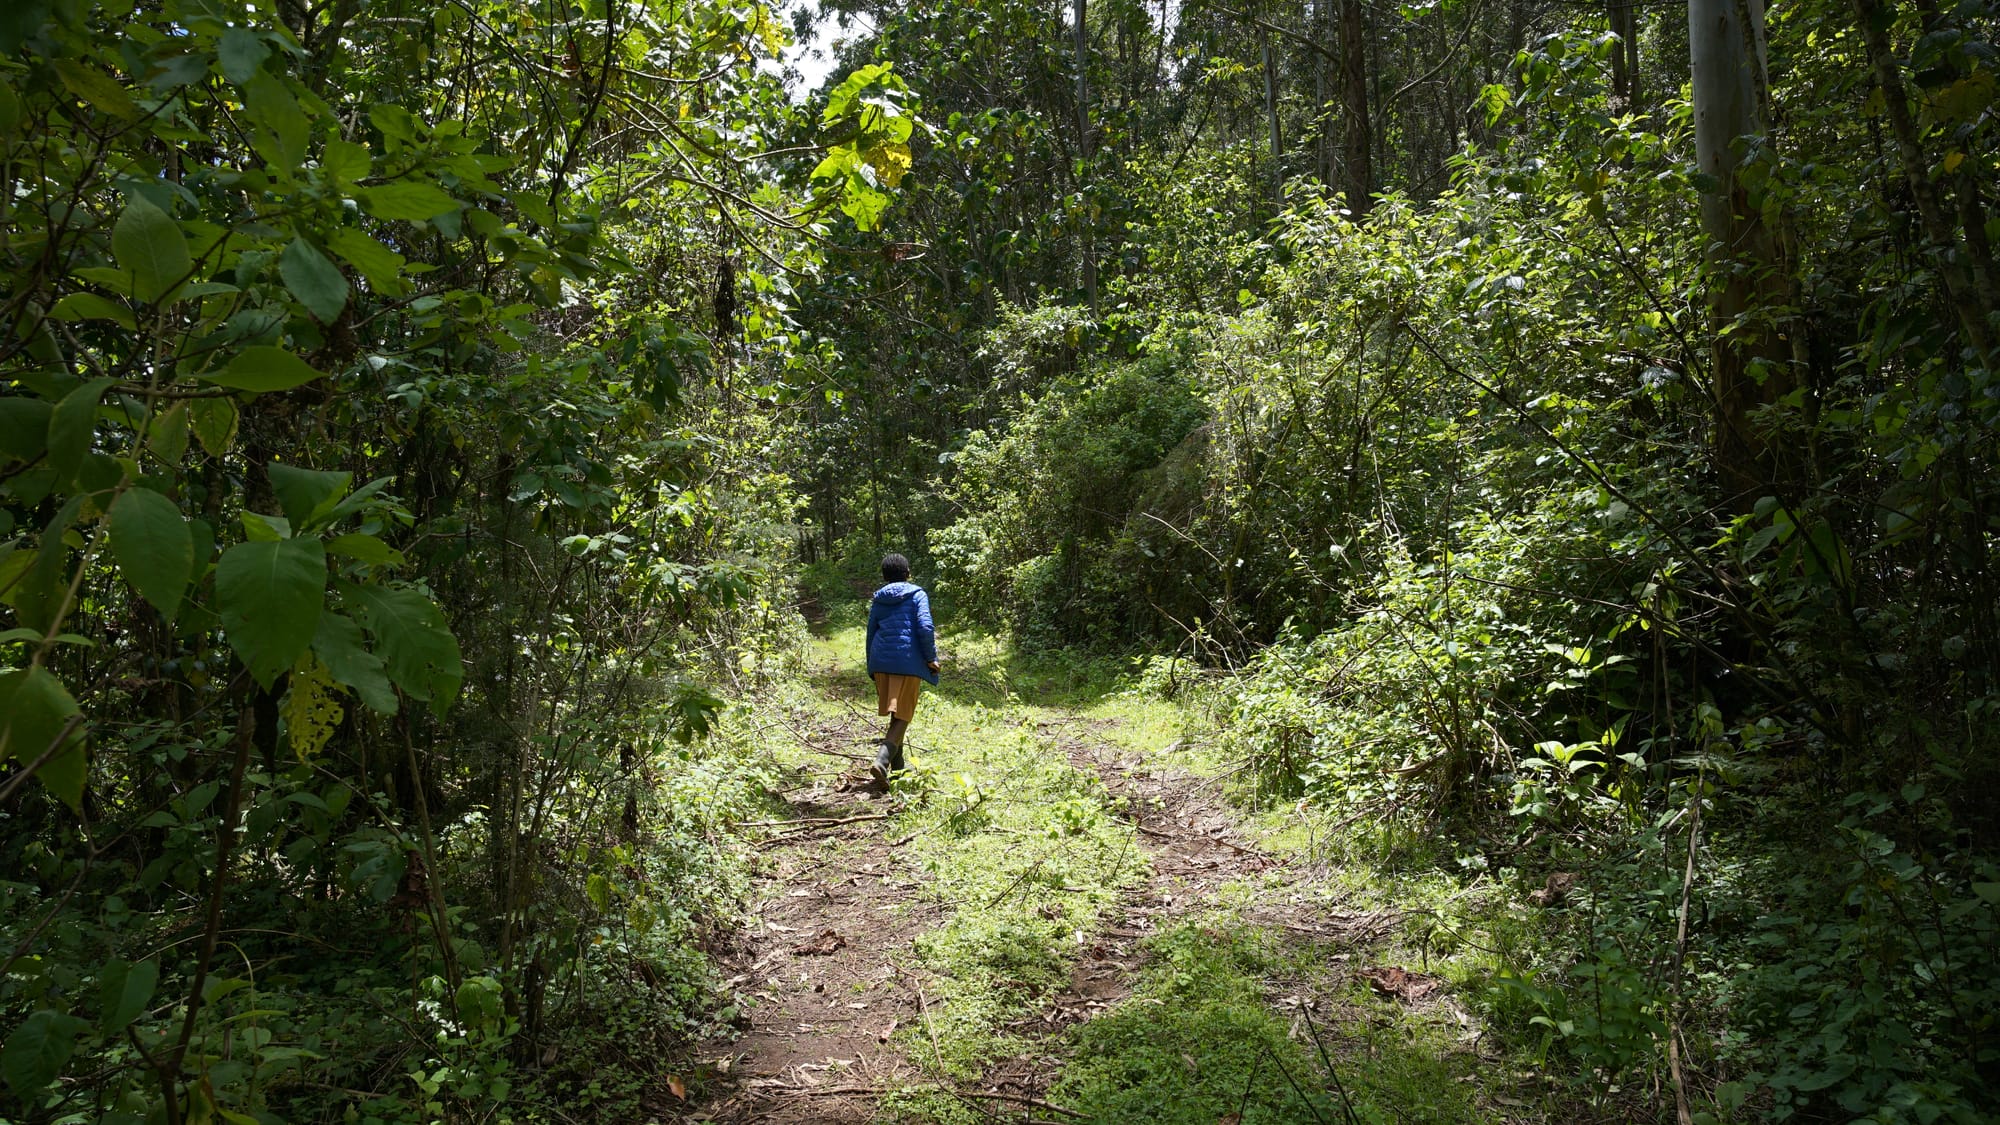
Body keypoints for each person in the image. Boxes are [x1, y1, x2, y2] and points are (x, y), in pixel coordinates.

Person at [865, 553, 938, 788]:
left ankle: (899, 773)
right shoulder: (917, 594)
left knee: (898, 717)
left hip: (881, 661)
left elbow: (870, 632)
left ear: (885, 576)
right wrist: (931, 657)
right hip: (907, 661)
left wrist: (872, 666)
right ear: (907, 573)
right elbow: (925, 627)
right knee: (904, 715)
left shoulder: (878, 599)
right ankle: (882, 759)